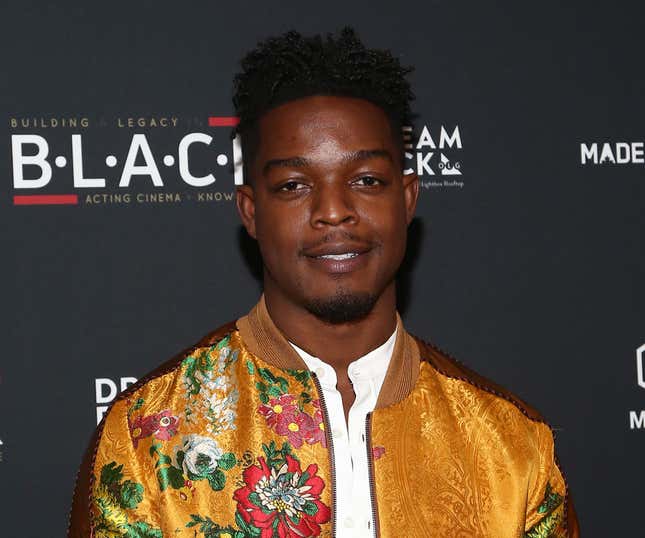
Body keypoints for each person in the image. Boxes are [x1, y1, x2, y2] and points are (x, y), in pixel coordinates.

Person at [68, 28, 579, 538]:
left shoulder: (511, 446)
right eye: (294, 186)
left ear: (407, 199)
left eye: (366, 181)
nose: (334, 211)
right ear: (251, 211)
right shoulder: (147, 440)